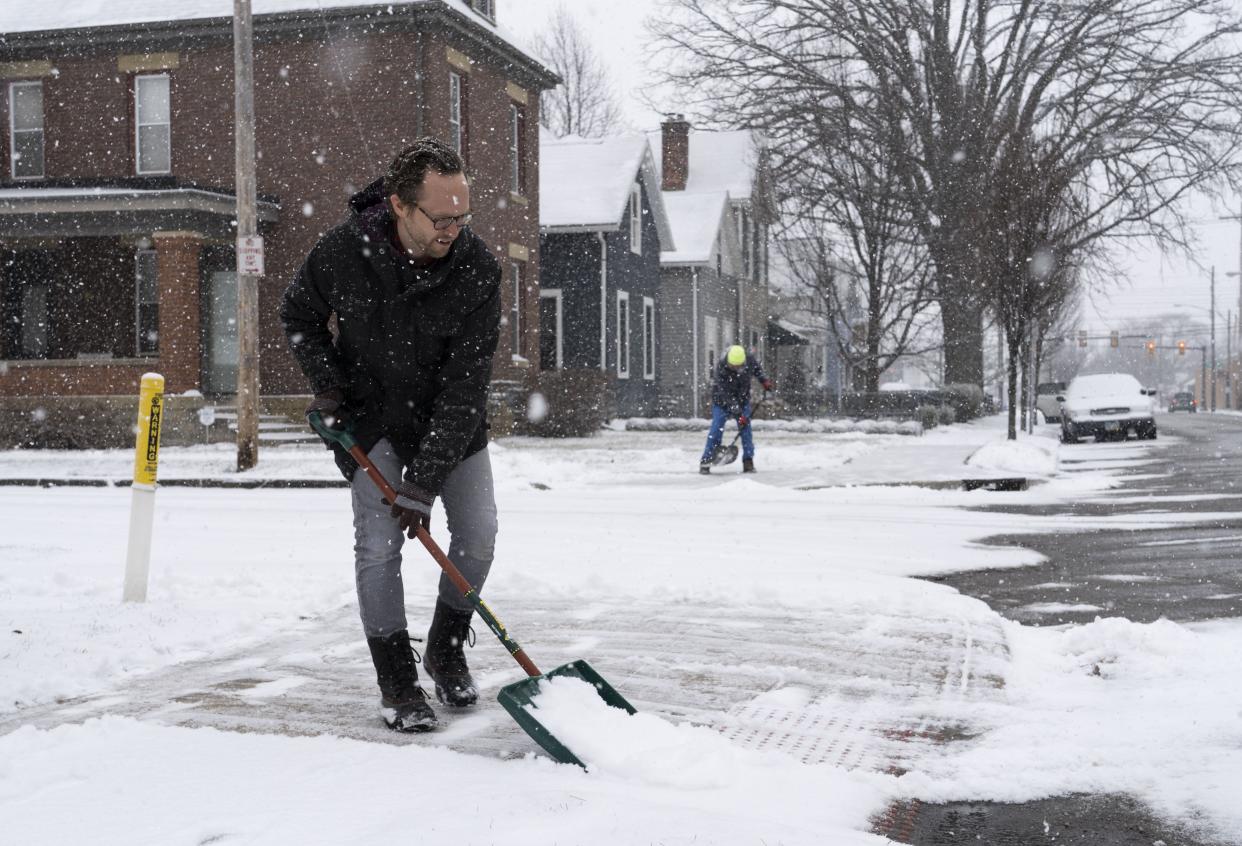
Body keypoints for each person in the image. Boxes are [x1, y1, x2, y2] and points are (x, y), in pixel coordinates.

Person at [280, 138, 501, 733]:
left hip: (449, 420)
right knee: (378, 546)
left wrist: (423, 482)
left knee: (478, 534)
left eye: (463, 215)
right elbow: (297, 312)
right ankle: (397, 680)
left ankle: (445, 646)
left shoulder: (477, 268)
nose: (454, 227)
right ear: (401, 205)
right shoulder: (343, 251)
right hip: (371, 416)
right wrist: (328, 387)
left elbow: (466, 387)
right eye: (442, 216)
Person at [699, 344, 773, 474]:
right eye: (733, 366)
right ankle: (706, 460)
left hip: (742, 399)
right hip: (722, 402)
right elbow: (725, 394)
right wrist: (739, 414)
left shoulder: (749, 360)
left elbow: (758, 370)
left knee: (746, 431)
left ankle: (748, 461)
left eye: (738, 366)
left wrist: (764, 381)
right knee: (716, 430)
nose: (736, 369)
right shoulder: (722, 368)